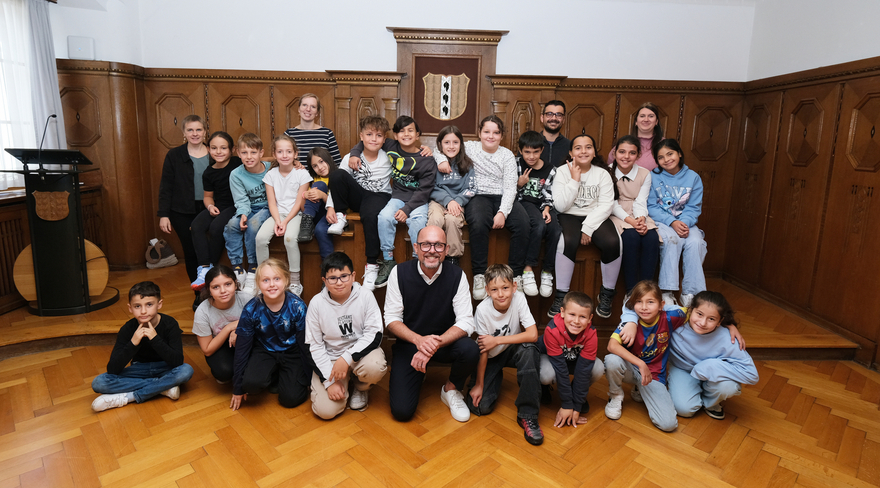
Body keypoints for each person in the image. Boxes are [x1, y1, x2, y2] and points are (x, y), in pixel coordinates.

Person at [384, 225, 479, 423]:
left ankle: (451, 389)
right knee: (402, 412)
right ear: (416, 248)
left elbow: (466, 321)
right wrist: (419, 341)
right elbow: (391, 319)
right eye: (426, 245)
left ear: (446, 249)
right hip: (410, 344)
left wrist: (433, 344)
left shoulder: (457, 275)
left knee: (470, 349)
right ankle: (418, 374)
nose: (432, 250)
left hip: (444, 344)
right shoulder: (398, 273)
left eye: (438, 245)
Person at [435, 115, 530, 300]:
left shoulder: (507, 155)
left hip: (502, 196)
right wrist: (441, 160)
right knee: (478, 224)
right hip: (478, 195)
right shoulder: (469, 147)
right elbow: (440, 147)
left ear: (501, 136)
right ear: (480, 133)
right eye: (486, 131)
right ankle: (480, 275)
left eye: (496, 132)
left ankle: (515, 275)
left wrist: (503, 212)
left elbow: (510, 187)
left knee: (524, 224)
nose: (490, 136)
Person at [347, 116, 436, 288]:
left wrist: (407, 209)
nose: (406, 134)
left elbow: (424, 191)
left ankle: (418, 262)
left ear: (418, 135)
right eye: (401, 131)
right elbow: (364, 142)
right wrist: (354, 154)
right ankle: (388, 260)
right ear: (395, 136)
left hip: (418, 201)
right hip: (397, 197)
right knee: (384, 217)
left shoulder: (427, 160)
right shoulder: (390, 146)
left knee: (417, 222)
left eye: (410, 130)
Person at [468, 264, 544, 445]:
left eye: (505, 288)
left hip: (511, 349)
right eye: (494, 289)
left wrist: (498, 341)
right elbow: (484, 349)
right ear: (487, 290)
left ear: (514, 287)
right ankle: (493, 378)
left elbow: (533, 335)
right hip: (491, 356)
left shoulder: (519, 298)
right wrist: (479, 384)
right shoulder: (482, 310)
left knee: (529, 349)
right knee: (480, 407)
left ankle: (528, 414)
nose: (501, 294)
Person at [548, 134, 622, 319]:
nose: (583, 151)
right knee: (567, 241)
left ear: (594, 151)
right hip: (569, 214)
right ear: (571, 152)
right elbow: (560, 205)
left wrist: (587, 228)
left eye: (588, 147)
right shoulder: (562, 171)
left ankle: (607, 293)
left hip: (596, 215)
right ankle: (561, 296)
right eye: (578, 148)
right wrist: (574, 180)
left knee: (614, 242)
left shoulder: (602, 173)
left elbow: (607, 205)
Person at [305, 252, 387, 419]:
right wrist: (329, 383)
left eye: (344, 276)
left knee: (375, 366)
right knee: (326, 412)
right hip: (331, 360)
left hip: (359, 356)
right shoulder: (316, 304)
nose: (339, 282)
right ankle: (339, 384)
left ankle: (360, 387)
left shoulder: (365, 295)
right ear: (324, 281)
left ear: (353, 276)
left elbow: (375, 334)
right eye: (332, 278)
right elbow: (313, 346)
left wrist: (347, 358)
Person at [91, 281, 194, 412]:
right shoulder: (127, 329)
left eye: (149, 305)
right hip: (139, 370)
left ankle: (130, 396)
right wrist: (133, 343)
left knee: (186, 370)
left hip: (165, 368)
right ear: (130, 308)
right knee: (99, 382)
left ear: (159, 304)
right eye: (137, 306)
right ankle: (162, 387)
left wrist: (155, 339)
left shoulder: (170, 324)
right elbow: (112, 368)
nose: (143, 311)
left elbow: (177, 361)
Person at [230, 258, 310, 411]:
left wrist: (310, 379)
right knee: (250, 385)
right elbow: (242, 349)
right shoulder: (251, 309)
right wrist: (237, 387)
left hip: (292, 352)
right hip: (265, 350)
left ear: (286, 280)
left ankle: (282, 377)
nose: (272, 284)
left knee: (291, 399)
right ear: (258, 284)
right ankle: (273, 375)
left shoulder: (297, 306)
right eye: (266, 280)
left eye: (277, 279)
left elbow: (305, 343)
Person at [603, 280, 683, 432]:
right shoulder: (629, 322)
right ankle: (615, 396)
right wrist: (640, 364)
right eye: (639, 302)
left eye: (650, 302)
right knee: (611, 360)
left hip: (654, 375)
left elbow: (698, 311)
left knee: (668, 425)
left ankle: (639, 389)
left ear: (661, 305)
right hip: (632, 368)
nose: (644, 307)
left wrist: (730, 325)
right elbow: (611, 346)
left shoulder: (670, 317)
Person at [325, 115, 392, 291]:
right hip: (359, 195)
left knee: (370, 216)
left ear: (384, 139)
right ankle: (341, 216)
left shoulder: (388, 157)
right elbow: (336, 184)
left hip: (379, 196)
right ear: (361, 136)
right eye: (369, 134)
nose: (373, 139)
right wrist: (330, 206)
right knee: (336, 175)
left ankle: (371, 266)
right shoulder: (351, 156)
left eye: (378, 135)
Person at [667, 291, 757, 420]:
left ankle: (711, 402)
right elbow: (646, 307)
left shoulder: (728, 338)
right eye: (699, 314)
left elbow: (752, 375)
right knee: (684, 409)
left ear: (720, 322)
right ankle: (693, 391)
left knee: (728, 387)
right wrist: (630, 322)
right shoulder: (677, 318)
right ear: (690, 310)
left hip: (712, 374)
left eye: (711, 319)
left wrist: (708, 366)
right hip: (683, 369)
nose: (703, 323)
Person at [157, 115, 209, 307]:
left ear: (205, 131)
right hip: (181, 211)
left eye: (198, 130)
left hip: (208, 209)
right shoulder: (174, 155)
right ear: (184, 133)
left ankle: (213, 290)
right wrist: (164, 214)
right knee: (191, 252)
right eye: (190, 130)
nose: (195, 134)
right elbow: (166, 186)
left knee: (209, 251)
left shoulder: (215, 152)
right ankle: (199, 293)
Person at [648, 138, 706, 308]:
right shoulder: (652, 176)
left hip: (686, 223)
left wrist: (684, 223)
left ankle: (691, 293)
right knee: (673, 241)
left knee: (696, 242)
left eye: (670, 154)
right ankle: (667, 291)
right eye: (661, 157)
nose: (666, 159)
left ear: (679, 154)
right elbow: (650, 206)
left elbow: (694, 207)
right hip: (663, 222)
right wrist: (672, 222)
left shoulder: (693, 177)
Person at [255, 134, 312, 296]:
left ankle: (295, 282)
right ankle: (264, 279)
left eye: (288, 151)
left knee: (290, 238)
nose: (284, 155)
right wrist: (278, 220)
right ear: (274, 154)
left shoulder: (302, 174)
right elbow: (272, 203)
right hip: (276, 214)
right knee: (260, 238)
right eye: (280, 152)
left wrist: (285, 222)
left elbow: (298, 203)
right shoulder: (271, 175)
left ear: (295, 154)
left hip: (296, 214)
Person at [537, 291, 605, 428]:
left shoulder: (591, 334)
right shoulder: (552, 330)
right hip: (550, 360)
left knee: (598, 368)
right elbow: (560, 369)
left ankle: (576, 394)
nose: (576, 321)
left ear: (590, 318)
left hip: (574, 361)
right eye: (572, 314)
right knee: (546, 375)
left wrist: (576, 406)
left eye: (582, 317)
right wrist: (567, 405)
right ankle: (543, 388)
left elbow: (584, 370)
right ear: (562, 312)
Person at [190, 131, 242, 291]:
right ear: (208, 149)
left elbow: (262, 160)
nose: (218, 151)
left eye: (223, 148)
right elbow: (208, 196)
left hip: (236, 204)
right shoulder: (209, 172)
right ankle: (204, 267)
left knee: (216, 227)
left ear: (232, 149)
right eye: (214, 148)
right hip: (218, 204)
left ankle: (212, 268)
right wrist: (210, 206)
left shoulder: (238, 162)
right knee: (196, 225)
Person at [608, 135, 660, 296]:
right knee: (631, 237)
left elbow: (641, 200)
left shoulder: (645, 173)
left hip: (638, 212)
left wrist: (640, 219)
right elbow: (612, 203)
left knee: (651, 238)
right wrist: (631, 221)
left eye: (632, 153)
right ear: (615, 153)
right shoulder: (607, 171)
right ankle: (631, 293)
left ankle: (646, 292)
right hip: (615, 212)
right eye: (622, 152)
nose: (626, 157)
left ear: (638, 156)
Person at [224, 133, 271, 295]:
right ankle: (237, 268)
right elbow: (241, 199)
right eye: (244, 153)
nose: (249, 157)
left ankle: (253, 268)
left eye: (253, 152)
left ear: (261, 153)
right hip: (249, 208)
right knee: (232, 225)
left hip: (268, 208)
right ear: (238, 153)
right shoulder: (236, 174)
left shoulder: (271, 169)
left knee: (253, 225)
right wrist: (243, 214)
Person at [515, 130, 561, 297]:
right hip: (523, 202)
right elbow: (510, 193)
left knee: (555, 229)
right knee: (539, 225)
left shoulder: (550, 169)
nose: (531, 156)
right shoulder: (517, 164)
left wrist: (547, 209)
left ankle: (547, 272)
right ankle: (528, 269)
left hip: (543, 205)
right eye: (527, 152)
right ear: (520, 151)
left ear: (541, 150)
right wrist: (519, 184)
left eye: (535, 152)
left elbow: (549, 193)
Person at [192, 265, 251, 384]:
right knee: (224, 372)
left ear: (235, 284)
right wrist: (229, 327)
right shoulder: (203, 311)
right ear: (208, 289)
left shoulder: (247, 300)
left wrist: (238, 329)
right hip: (219, 345)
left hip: (246, 340)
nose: (223, 291)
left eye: (228, 284)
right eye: (216, 287)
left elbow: (261, 328)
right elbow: (207, 350)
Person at [427, 125, 475, 268]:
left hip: (459, 203)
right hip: (438, 202)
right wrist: (448, 201)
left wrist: (457, 201)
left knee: (452, 219)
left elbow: (471, 188)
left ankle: (452, 259)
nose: (451, 146)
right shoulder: (433, 163)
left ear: (461, 144)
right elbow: (431, 187)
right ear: (440, 144)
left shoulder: (467, 164)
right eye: (447, 142)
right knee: (436, 219)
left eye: (455, 142)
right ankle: (431, 254)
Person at [296, 147, 338, 260]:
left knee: (320, 230)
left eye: (321, 161)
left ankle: (328, 265)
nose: (320, 167)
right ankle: (306, 225)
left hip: (336, 214)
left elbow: (341, 203)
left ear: (328, 159)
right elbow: (303, 208)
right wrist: (305, 195)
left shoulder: (339, 176)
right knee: (319, 185)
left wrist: (323, 196)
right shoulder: (313, 182)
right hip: (316, 215)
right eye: (315, 166)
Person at [285, 93, 342, 166]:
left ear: (317, 113)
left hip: (321, 177)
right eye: (304, 105)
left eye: (313, 106)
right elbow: (281, 161)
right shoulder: (289, 134)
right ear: (299, 109)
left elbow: (337, 163)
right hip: (296, 177)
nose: (308, 109)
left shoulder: (327, 134)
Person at [607, 102, 664, 171]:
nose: (646, 119)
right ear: (636, 122)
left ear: (656, 122)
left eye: (651, 116)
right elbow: (610, 170)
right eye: (642, 116)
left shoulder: (664, 144)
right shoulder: (623, 144)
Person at [539, 100, 571, 168]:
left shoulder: (570, 146)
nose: (554, 118)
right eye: (549, 114)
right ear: (542, 118)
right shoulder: (530, 143)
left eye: (558, 115)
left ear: (563, 120)